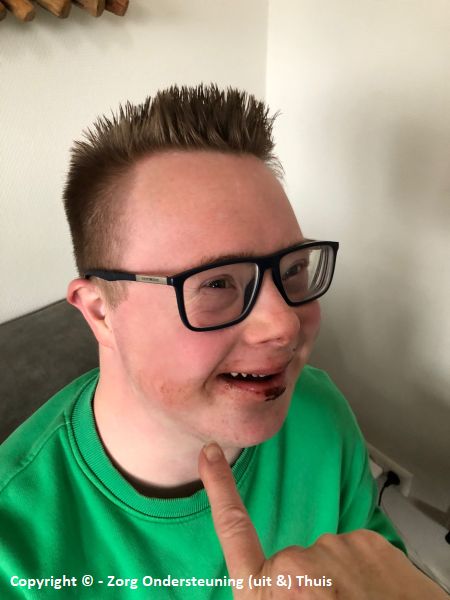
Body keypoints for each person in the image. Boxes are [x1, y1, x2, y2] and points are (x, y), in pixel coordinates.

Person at [0, 84, 447, 599]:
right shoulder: (15, 547)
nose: (285, 325)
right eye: (216, 283)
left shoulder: (319, 414)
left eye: (294, 269)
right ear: (101, 311)